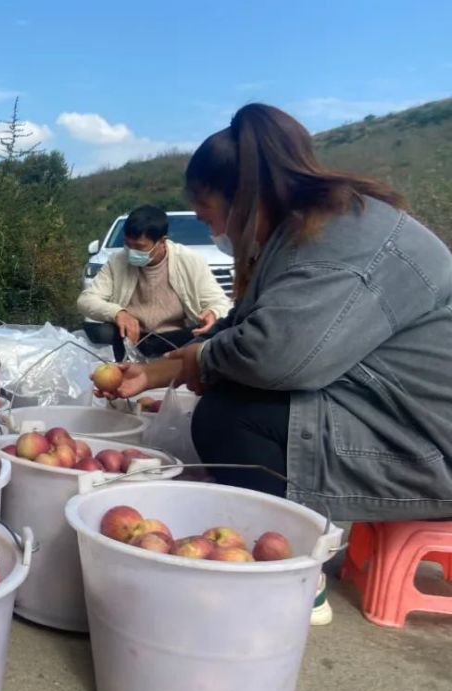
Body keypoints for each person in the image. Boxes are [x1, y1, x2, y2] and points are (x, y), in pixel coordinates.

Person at [103, 104, 452, 624]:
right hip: (390, 414)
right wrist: (160, 370)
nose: (213, 229)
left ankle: (292, 569)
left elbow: (276, 355)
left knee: (231, 417)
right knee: (229, 401)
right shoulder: (312, 228)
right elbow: (246, 325)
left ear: (242, 198)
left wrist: (196, 361)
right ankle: (275, 543)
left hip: (428, 446)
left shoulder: (344, 242)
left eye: (208, 215)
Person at [79, 205, 233, 361]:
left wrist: (213, 313)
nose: (131, 251)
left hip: (177, 338)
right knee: (99, 331)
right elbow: (86, 300)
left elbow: (220, 302)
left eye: (139, 247)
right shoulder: (117, 261)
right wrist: (117, 313)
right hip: (131, 337)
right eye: (127, 244)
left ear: (162, 242)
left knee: (215, 333)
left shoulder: (190, 261)